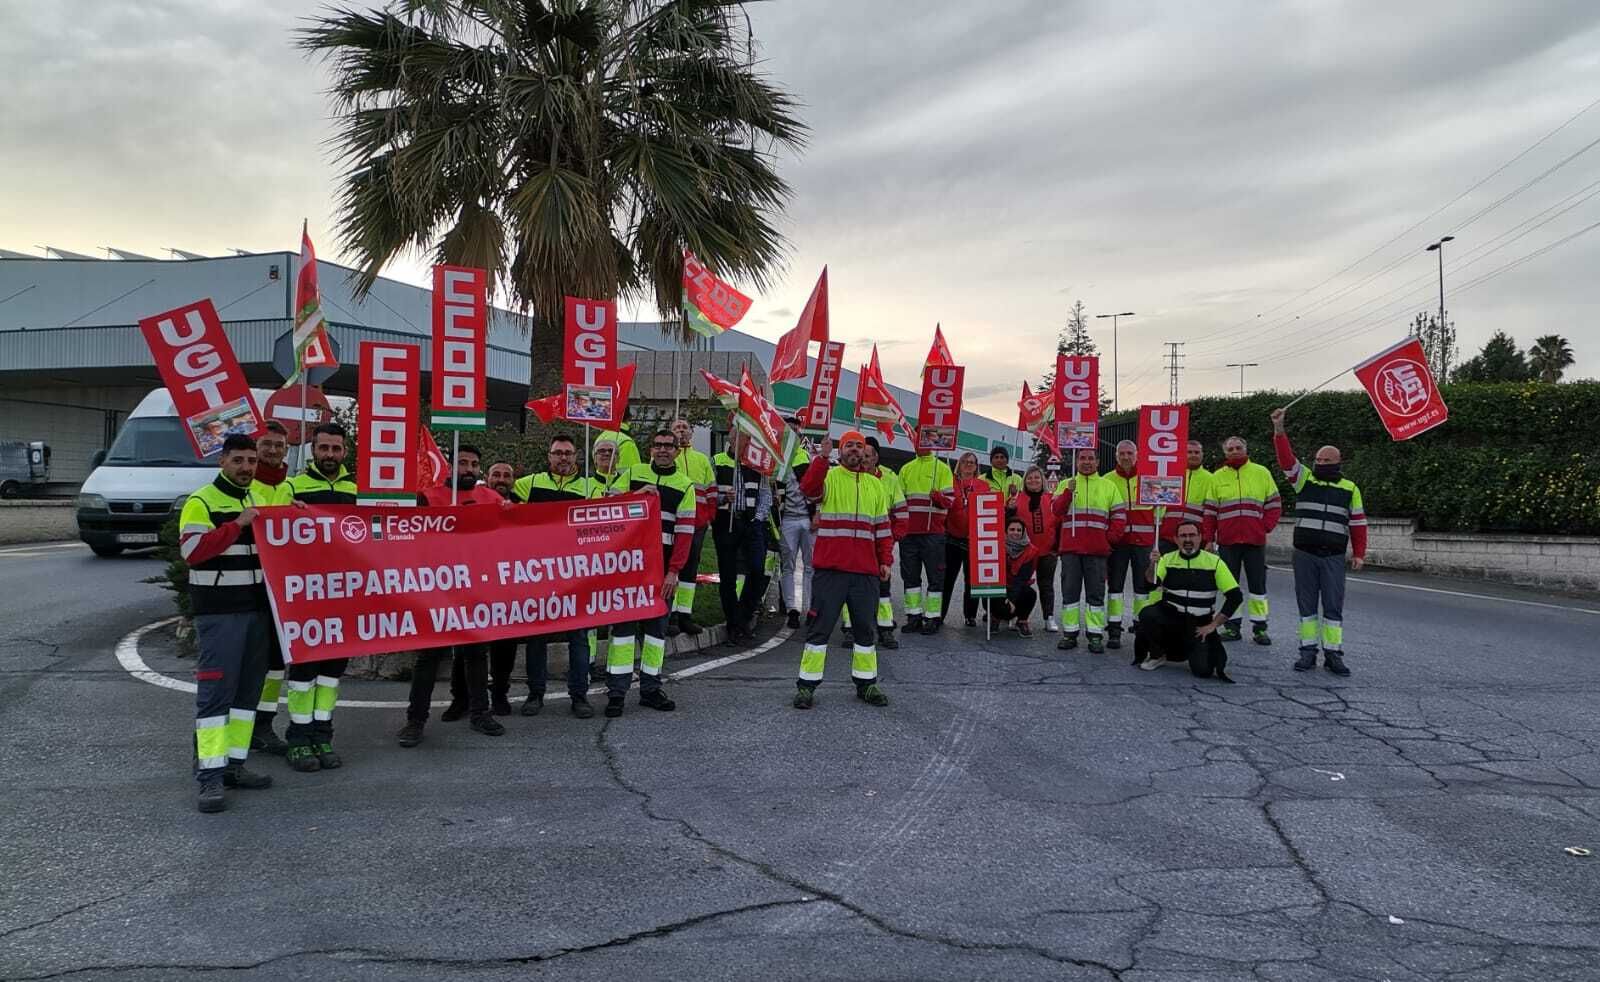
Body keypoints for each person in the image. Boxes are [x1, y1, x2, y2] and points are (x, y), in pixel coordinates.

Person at [178, 434, 274, 812]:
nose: (247, 467)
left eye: (252, 461)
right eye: (239, 460)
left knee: (247, 697)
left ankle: (235, 766)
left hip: (256, 613)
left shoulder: (257, 498)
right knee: (216, 699)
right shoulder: (201, 501)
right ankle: (209, 778)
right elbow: (192, 551)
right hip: (220, 615)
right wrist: (237, 524)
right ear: (223, 461)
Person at [398, 444, 509, 747]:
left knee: (475, 655)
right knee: (428, 658)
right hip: (435, 589)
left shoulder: (492, 498)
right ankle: (415, 721)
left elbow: (510, 534)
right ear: (450, 466)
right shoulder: (429, 497)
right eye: (462, 463)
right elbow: (411, 538)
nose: (468, 469)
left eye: (474, 464)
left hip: (475, 589)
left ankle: (479, 714)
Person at [793, 431, 893, 710]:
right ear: (840, 450)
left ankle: (867, 683)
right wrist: (822, 458)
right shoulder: (829, 476)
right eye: (849, 445)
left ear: (865, 453)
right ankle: (806, 687)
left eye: (859, 447)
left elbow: (883, 529)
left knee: (865, 631)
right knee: (819, 630)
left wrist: (885, 560)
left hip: (865, 573)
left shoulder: (876, 485)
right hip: (831, 571)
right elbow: (808, 490)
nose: (854, 451)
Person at [284, 423, 359, 772]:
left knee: (331, 673)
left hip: (345, 597)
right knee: (303, 671)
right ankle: (298, 739)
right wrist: (286, 512)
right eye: (324, 448)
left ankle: (322, 734)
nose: (330, 454)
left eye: (336, 449)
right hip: (306, 599)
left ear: (345, 451)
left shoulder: (358, 489)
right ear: (313, 450)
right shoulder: (292, 489)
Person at [1272, 407, 1367, 677]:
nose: (1320, 463)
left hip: (1333, 556)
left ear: (1337, 462)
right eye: (1317, 459)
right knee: (1307, 605)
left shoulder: (1349, 488)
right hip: (1305, 554)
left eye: (1325, 460)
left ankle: (1334, 654)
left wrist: (1359, 553)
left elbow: (1358, 523)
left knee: (1334, 605)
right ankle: (1307, 651)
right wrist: (1279, 429)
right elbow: (1286, 460)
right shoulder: (1304, 480)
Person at [607, 430, 695, 717]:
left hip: (662, 573)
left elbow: (685, 535)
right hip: (628, 569)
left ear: (677, 451)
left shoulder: (685, 485)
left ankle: (650, 689)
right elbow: (607, 505)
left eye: (669, 446)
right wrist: (636, 494)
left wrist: (674, 573)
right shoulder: (633, 473)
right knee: (622, 634)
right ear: (650, 449)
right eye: (658, 445)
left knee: (656, 634)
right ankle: (616, 693)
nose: (663, 450)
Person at [511, 435, 597, 717]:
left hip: (577, 574)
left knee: (579, 638)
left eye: (568, 453)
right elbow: (501, 511)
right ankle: (536, 693)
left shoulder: (590, 487)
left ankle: (579, 695)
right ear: (548, 456)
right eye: (558, 453)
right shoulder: (528, 485)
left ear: (576, 457)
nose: (563, 458)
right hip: (539, 574)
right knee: (537, 637)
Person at [1135, 520, 1242, 682]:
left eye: (1192, 535)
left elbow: (1235, 597)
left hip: (1199, 624)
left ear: (1200, 537)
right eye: (1183, 536)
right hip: (1172, 618)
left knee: (1204, 671)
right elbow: (1150, 585)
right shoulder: (1167, 559)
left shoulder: (1215, 563)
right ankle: (1158, 655)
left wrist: (1213, 626)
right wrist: (1152, 564)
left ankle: (1192, 651)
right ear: (1176, 539)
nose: (1187, 539)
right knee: (1148, 614)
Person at [1204, 435, 1282, 645]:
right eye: (1230, 449)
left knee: (1258, 587)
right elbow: (1210, 512)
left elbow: (1274, 504)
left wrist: (1264, 527)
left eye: (1238, 447)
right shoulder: (1216, 477)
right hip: (1228, 541)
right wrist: (1209, 539)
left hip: (1254, 541)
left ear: (1246, 449)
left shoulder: (1261, 472)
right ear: (1225, 453)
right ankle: (1231, 627)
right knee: (1230, 586)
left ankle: (1260, 628)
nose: (1234, 451)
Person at [1053, 447, 1127, 653]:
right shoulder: (1064, 485)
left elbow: (1119, 517)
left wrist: (1108, 540)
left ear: (1097, 462)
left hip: (1097, 551)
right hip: (1071, 550)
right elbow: (1055, 512)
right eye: (1083, 458)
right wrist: (1068, 491)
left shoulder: (1108, 486)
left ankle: (1095, 635)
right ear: (1077, 462)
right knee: (1070, 594)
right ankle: (1070, 634)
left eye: (1090, 459)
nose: (1086, 462)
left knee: (1095, 595)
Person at [247, 420, 293, 756]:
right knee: (246, 662)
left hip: (279, 591)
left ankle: (264, 725)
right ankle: (241, 725)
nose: (273, 450)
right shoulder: (243, 485)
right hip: (247, 588)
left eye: (278, 445)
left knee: (276, 665)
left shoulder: (289, 488)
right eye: (267, 444)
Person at [712, 431, 774, 642]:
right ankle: (733, 623)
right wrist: (721, 498)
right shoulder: (717, 461)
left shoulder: (756, 464)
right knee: (727, 575)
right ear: (730, 440)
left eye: (744, 438)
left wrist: (757, 518)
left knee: (757, 570)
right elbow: (709, 493)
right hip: (726, 522)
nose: (740, 441)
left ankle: (745, 615)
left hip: (751, 523)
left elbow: (765, 494)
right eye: (735, 437)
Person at [896, 439, 954, 635]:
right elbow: (899, 501)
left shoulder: (943, 468)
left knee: (935, 578)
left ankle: (933, 617)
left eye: (924, 439)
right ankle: (914, 616)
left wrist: (937, 496)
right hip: (909, 534)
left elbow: (950, 502)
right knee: (910, 577)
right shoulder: (905, 469)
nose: (920, 444)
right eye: (917, 440)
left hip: (933, 533)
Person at [1103, 440, 1157, 650]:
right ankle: (1114, 629)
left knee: (1142, 588)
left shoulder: (1149, 479)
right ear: (1116, 456)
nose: (1126, 457)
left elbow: (1160, 510)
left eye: (1129, 453)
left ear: (1137, 455)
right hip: (1118, 544)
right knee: (1115, 587)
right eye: (1122, 453)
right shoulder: (1107, 480)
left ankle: (1141, 625)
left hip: (1143, 543)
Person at [668, 418, 714, 638]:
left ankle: (685, 614)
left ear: (691, 433)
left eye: (685, 428)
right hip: (672, 523)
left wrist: (707, 517)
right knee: (672, 568)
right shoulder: (665, 459)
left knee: (690, 570)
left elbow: (711, 491)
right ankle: (671, 614)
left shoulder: (702, 460)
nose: (681, 431)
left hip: (697, 524)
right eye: (677, 428)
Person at [481, 460, 519, 712]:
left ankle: (500, 693)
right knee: (469, 647)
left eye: (507, 475)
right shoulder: (473, 501)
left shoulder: (521, 506)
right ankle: (462, 698)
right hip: (476, 584)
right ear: (487, 477)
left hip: (508, 587)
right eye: (496, 475)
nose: (501, 479)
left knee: (505, 647)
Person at [774, 419, 814, 630]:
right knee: (787, 566)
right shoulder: (776, 458)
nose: (792, 434)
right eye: (788, 431)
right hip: (787, 519)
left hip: (807, 519)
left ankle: (809, 609)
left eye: (796, 431)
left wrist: (816, 515)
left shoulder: (806, 457)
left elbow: (816, 489)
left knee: (810, 566)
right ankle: (792, 610)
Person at [940, 452, 986, 627]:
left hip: (972, 538)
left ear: (976, 467)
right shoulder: (950, 481)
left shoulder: (983, 485)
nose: (968, 465)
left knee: (971, 580)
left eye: (972, 463)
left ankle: (970, 615)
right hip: (951, 537)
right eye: (965, 462)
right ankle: (940, 614)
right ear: (959, 464)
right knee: (947, 578)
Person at [1012, 466, 1059, 632]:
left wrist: (1057, 546)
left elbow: (1058, 522)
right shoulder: (1017, 498)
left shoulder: (1051, 498)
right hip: (1024, 551)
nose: (1033, 481)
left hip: (1047, 550)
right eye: (1029, 478)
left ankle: (1049, 617)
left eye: (1037, 478)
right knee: (1021, 584)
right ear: (1024, 481)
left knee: (1046, 585)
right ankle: (1018, 616)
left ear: (1043, 480)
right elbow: (1010, 522)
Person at [1156, 440, 1213, 555]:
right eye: (1189, 452)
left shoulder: (1211, 479)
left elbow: (1211, 512)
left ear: (1202, 455)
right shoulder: (1171, 473)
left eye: (1197, 452)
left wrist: (1209, 539)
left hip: (1195, 537)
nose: (1193, 455)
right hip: (1168, 535)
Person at [990, 517, 1043, 636]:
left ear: (1023, 532)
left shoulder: (1031, 550)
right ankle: (995, 617)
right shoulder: (996, 545)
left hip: (1017, 585)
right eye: (1012, 529)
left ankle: (1022, 621)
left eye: (1019, 530)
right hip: (1000, 585)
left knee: (1030, 594)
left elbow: (1022, 578)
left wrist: (1012, 600)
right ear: (1006, 531)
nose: (1015, 532)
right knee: (991, 593)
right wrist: (1004, 596)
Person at [982, 446, 1023, 510]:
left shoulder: (1018, 479)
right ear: (991, 461)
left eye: (1002, 457)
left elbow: (1024, 499)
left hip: (1012, 517)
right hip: (991, 516)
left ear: (1007, 460)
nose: (999, 460)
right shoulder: (982, 479)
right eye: (996, 457)